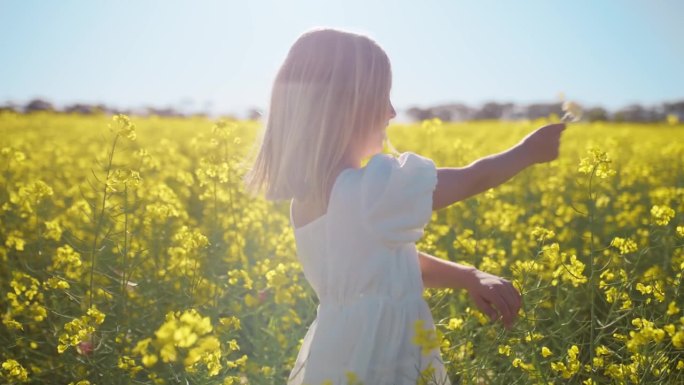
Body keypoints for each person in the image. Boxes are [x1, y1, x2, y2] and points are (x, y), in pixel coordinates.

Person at [243, 27, 566, 385]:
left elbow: (388, 262)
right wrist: (529, 152)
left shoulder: (309, 200)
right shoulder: (371, 189)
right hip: (382, 361)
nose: (392, 112)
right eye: (383, 97)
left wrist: (468, 276)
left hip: (335, 355)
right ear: (346, 105)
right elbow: (474, 178)